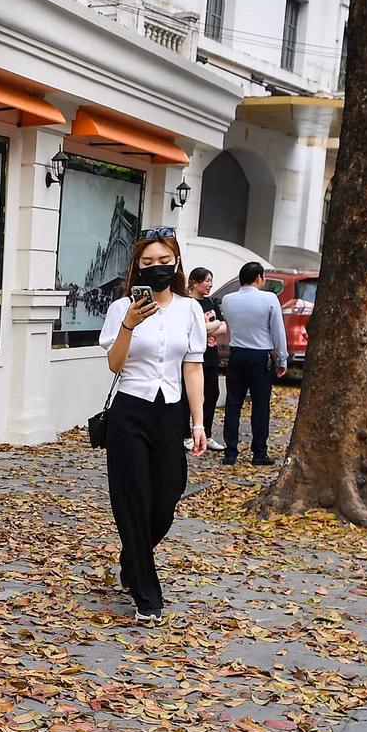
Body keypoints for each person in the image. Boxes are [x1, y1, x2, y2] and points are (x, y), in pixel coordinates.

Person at [98, 232, 207, 622]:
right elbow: (114, 364)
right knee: (133, 499)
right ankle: (147, 594)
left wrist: (198, 423)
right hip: (129, 411)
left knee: (166, 499)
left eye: (163, 260)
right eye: (147, 263)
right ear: (137, 267)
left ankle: (132, 559)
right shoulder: (120, 309)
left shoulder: (190, 310)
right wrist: (128, 325)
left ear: (176, 264)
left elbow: (193, 368)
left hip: (170, 414)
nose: (156, 267)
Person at [219, 261, 287, 465]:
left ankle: (230, 451)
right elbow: (278, 330)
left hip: (236, 354)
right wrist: (282, 357)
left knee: (233, 404)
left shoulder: (228, 300)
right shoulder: (269, 299)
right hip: (260, 356)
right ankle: (259, 452)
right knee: (260, 406)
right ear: (259, 277)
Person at [187, 267, 228, 451]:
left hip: (211, 357)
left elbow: (224, 327)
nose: (210, 284)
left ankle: (207, 434)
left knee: (212, 395)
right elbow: (192, 329)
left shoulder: (210, 302)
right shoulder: (188, 303)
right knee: (188, 396)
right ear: (195, 282)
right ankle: (186, 435)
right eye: (207, 281)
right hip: (192, 358)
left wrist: (211, 326)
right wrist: (214, 325)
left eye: (211, 280)